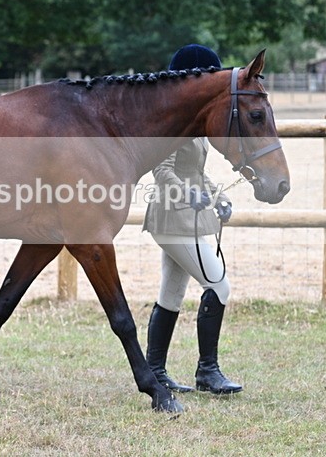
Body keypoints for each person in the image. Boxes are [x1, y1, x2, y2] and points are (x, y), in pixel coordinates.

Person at [142, 44, 242, 395]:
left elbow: (197, 173)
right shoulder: (171, 119)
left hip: (186, 218)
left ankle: (155, 372)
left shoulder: (193, 119)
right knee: (218, 286)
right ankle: (207, 372)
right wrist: (187, 194)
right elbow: (161, 169)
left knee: (171, 294)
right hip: (172, 216)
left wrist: (220, 197)